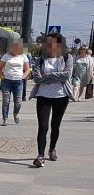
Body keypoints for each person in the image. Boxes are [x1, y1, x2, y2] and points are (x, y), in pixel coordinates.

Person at [30, 32, 73, 168]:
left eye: (51, 43)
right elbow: (36, 78)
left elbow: (66, 76)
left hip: (61, 96)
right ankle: (40, 155)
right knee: (43, 126)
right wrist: (55, 76)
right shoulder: (41, 59)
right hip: (43, 96)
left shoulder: (67, 57)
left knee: (55, 125)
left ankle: (52, 149)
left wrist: (48, 74)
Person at [0, 41, 30, 125]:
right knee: (6, 100)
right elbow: (0, 68)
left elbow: (27, 70)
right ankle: (5, 118)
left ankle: (16, 113)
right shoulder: (6, 56)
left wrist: (23, 78)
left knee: (18, 101)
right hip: (6, 81)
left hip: (18, 81)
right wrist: (2, 77)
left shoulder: (23, 57)